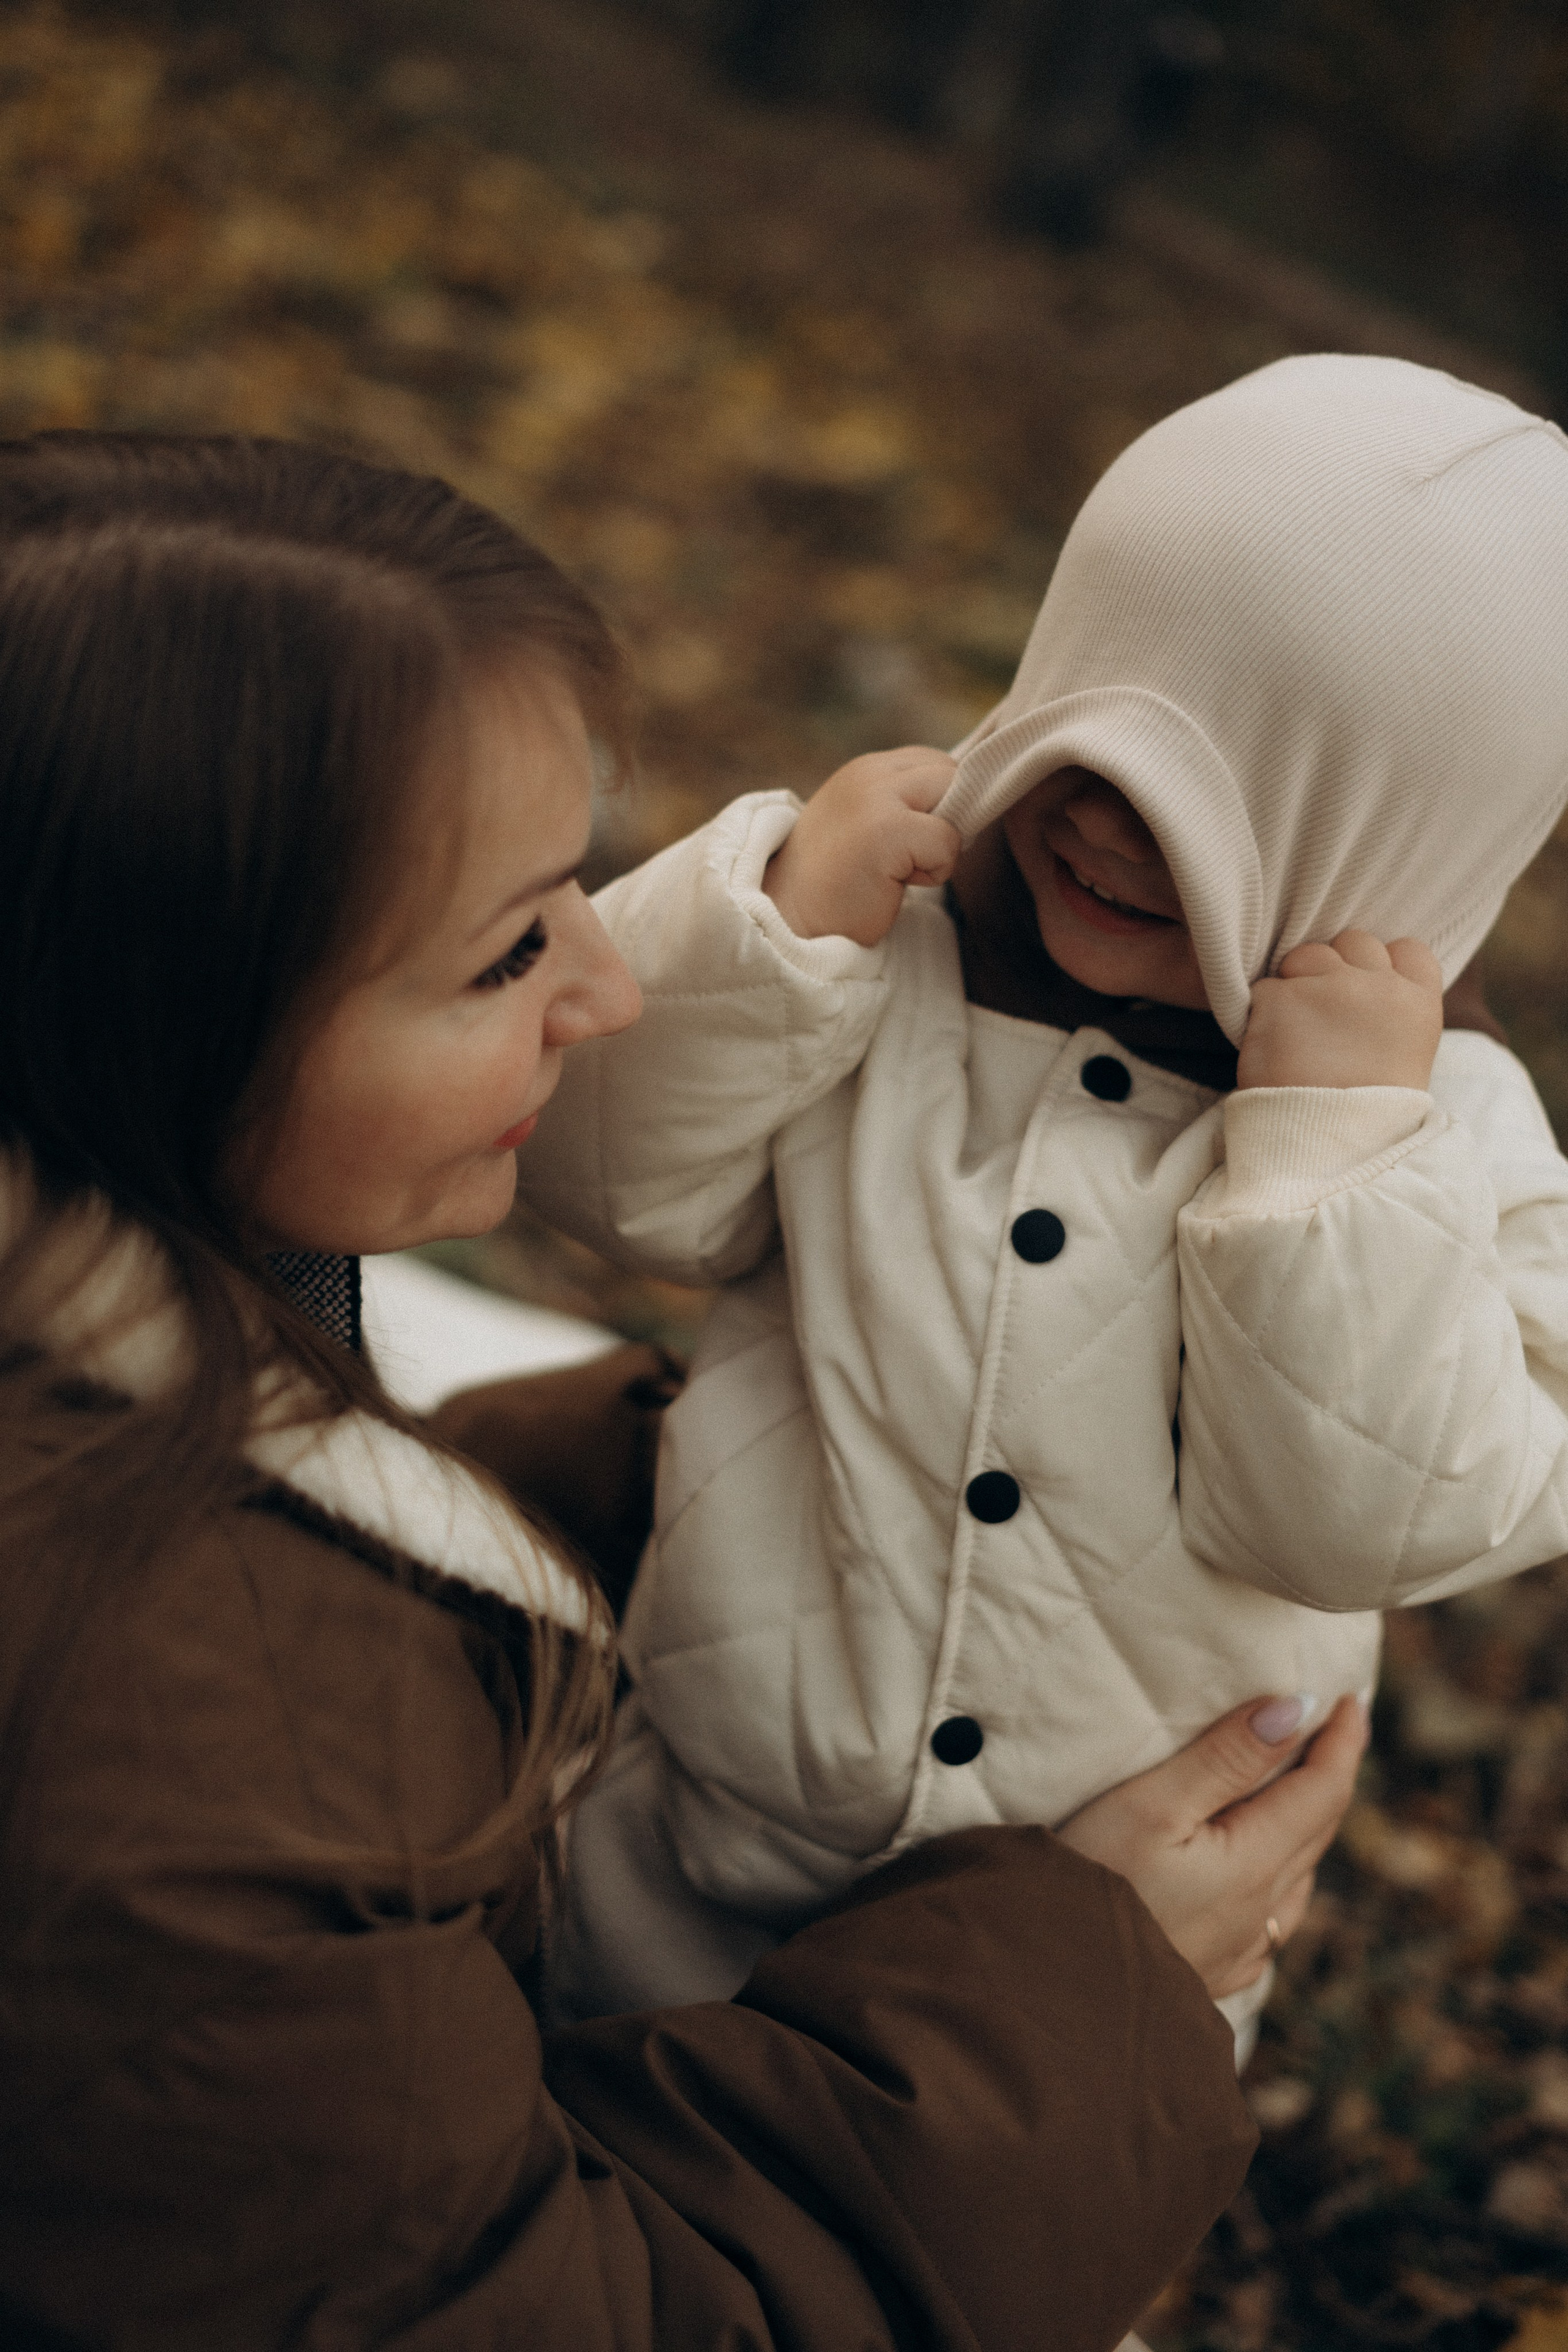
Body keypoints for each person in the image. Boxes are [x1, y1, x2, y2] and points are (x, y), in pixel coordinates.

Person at [0, 428, 1368, 2352]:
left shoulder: (106, 1325)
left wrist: (581, 1488)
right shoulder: (171, 1780)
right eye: (501, 955)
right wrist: (1082, 1989)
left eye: (581, 891)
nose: (608, 992)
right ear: (161, 1006)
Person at [522, 353, 1568, 2038]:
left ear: (1408, 831)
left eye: (1220, 797)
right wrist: (769, 935)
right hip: (684, 1867)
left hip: (1096, 1971)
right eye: (1095, 720)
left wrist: (1329, 1159)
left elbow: (1365, 1522)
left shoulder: (1448, 1140)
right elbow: (601, 1176)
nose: (1100, 815)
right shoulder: (884, 954)